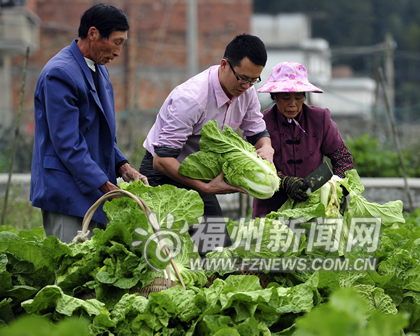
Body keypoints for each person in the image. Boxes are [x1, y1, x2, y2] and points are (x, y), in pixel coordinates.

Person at [139, 34, 274, 254]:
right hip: (164, 175)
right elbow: (161, 160)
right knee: (162, 256)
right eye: (242, 78)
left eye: (254, 80)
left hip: (200, 175)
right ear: (224, 65)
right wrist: (206, 188)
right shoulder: (191, 99)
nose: (247, 85)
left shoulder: (246, 92)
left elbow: (258, 131)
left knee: (217, 254)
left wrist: (266, 147)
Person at [30, 4, 148, 244]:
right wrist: (107, 188)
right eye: (117, 42)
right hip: (67, 192)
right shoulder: (59, 73)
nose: (118, 52)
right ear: (93, 34)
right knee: (69, 272)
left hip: (94, 188)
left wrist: (123, 166)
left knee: (93, 274)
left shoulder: (99, 69)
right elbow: (68, 143)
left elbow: (102, 133)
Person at [252, 61, 354, 218]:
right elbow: (252, 166)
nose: (292, 104)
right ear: (274, 97)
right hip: (271, 210)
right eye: (286, 98)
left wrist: (337, 189)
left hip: (315, 209)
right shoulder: (260, 123)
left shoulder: (320, 119)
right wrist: (283, 182)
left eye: (298, 98)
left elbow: (343, 158)